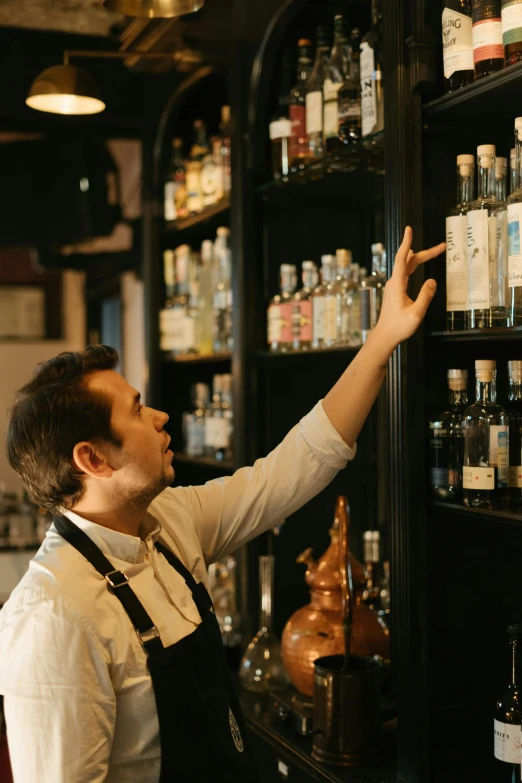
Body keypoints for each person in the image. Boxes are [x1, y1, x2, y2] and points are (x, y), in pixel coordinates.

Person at [0, 227, 444, 783]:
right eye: (137, 411)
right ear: (92, 459)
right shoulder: (52, 616)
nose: (160, 417)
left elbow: (295, 465)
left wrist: (382, 340)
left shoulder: (168, 522)